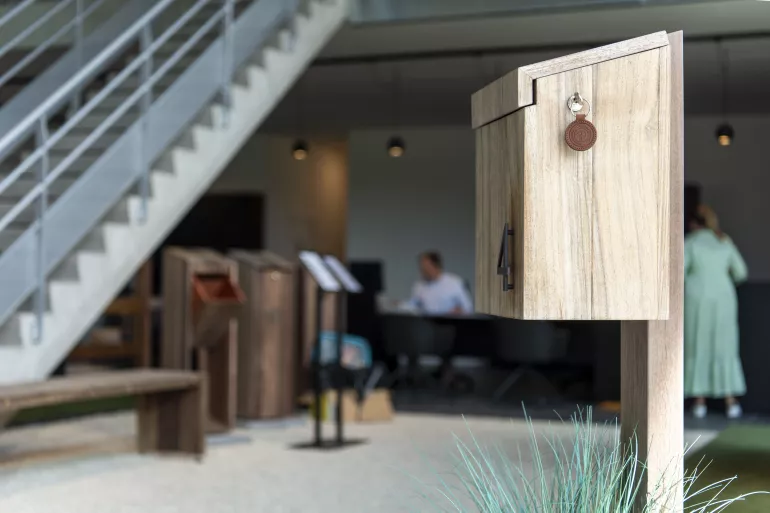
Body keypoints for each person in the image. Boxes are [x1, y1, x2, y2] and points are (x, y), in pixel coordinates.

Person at [684, 205, 748, 419]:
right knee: (725, 348)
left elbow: (679, 273)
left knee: (697, 346)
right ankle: (731, 402)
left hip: (696, 299)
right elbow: (741, 272)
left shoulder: (690, 243)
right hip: (724, 299)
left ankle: (699, 402)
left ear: (693, 224)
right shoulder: (724, 241)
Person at [404, 251, 473, 315]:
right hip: (426, 322)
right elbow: (413, 306)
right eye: (422, 268)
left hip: (449, 322)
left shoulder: (455, 283)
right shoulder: (419, 285)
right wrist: (402, 306)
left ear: (436, 266)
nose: (423, 271)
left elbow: (468, 307)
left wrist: (459, 311)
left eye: (426, 268)